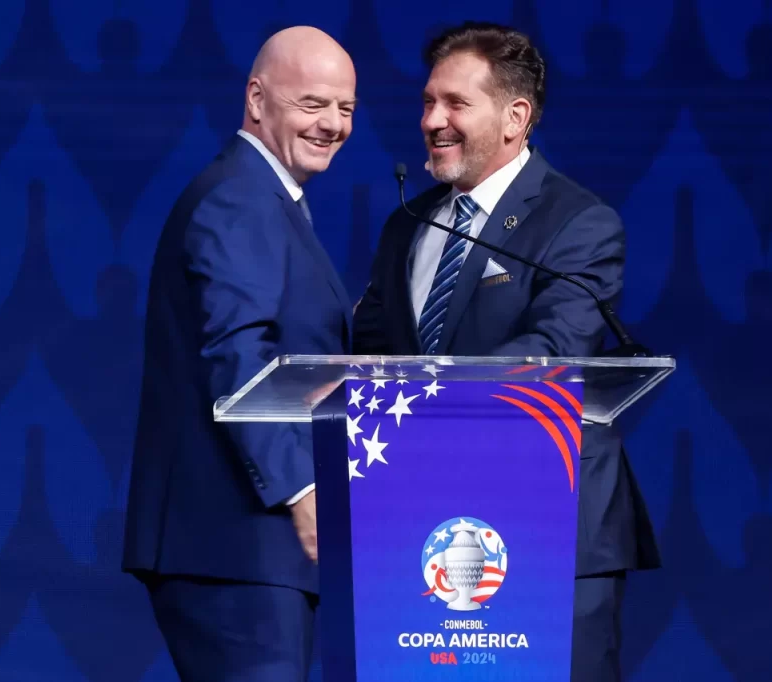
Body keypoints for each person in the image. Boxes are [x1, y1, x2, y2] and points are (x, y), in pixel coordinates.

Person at [352, 22, 659, 682]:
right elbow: (370, 354)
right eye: (428, 102)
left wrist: (430, 396)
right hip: (422, 524)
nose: (432, 121)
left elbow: (552, 348)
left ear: (516, 117)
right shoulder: (407, 223)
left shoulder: (577, 222)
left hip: (549, 518)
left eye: (455, 104)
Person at [121, 26, 357, 682]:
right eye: (313, 103)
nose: (333, 124)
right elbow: (238, 355)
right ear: (256, 99)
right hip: (233, 542)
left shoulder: (266, 198)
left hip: (249, 551)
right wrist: (302, 488)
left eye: (345, 108)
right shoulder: (240, 198)